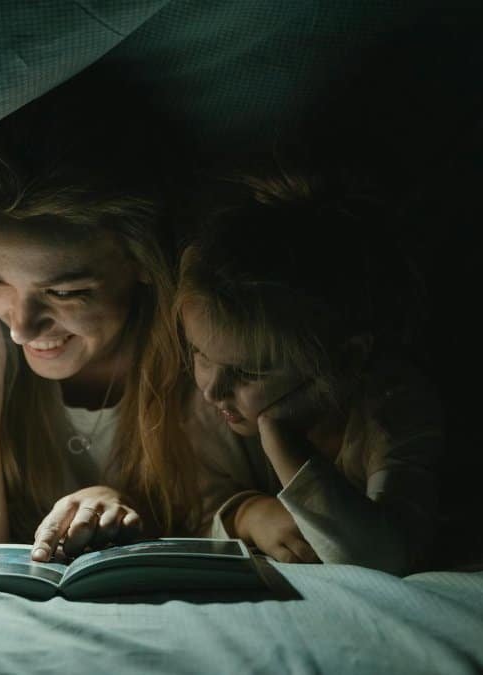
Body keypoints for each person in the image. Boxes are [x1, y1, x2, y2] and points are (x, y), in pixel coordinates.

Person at [0, 80, 202, 562]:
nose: (22, 329)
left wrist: (133, 510)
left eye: (65, 291)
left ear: (142, 262)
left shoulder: (203, 363)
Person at [174, 170, 444, 573]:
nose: (213, 389)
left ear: (344, 361)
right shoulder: (216, 406)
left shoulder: (392, 408)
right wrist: (246, 515)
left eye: (251, 372)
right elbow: (189, 514)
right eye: (201, 355)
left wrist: (284, 442)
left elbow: (384, 558)